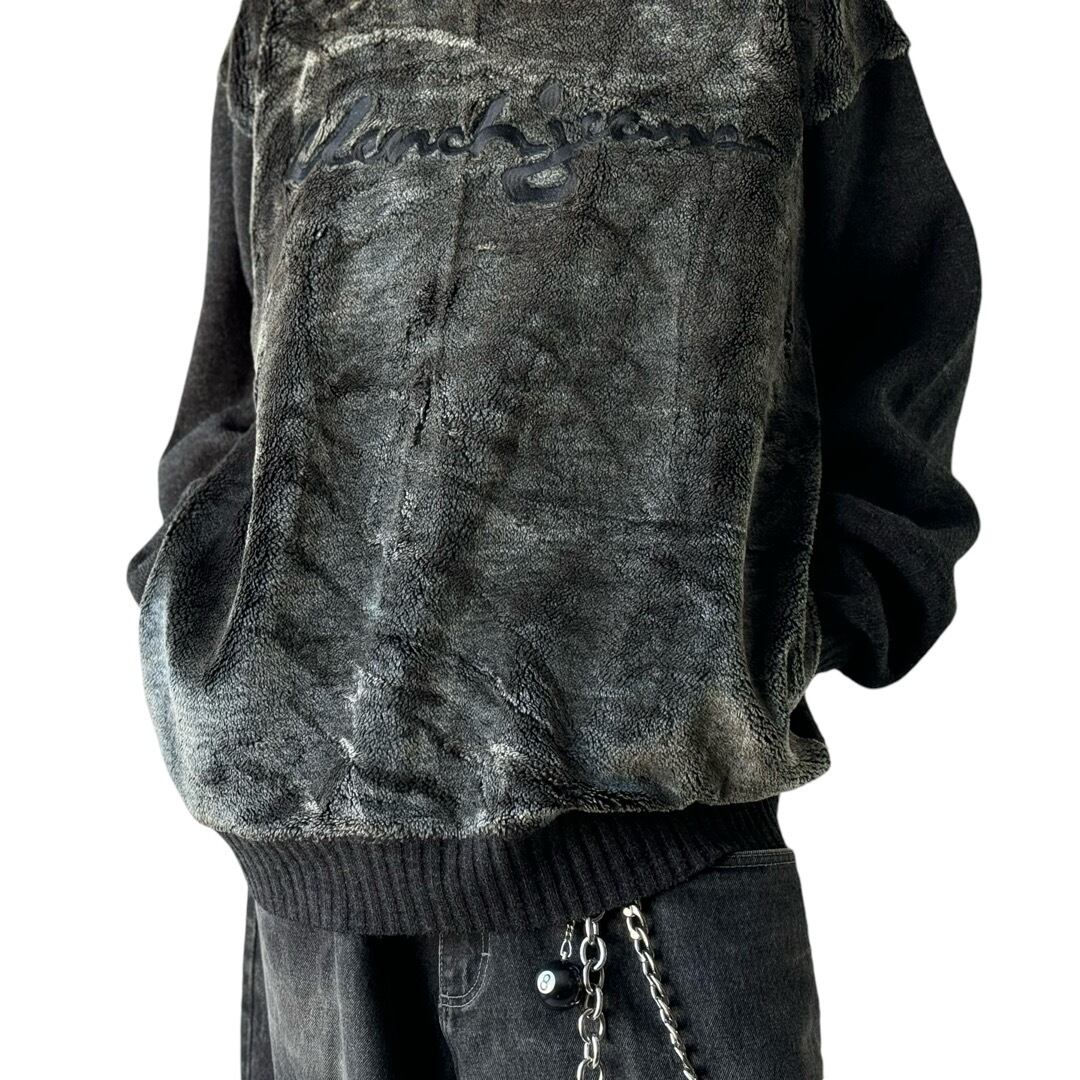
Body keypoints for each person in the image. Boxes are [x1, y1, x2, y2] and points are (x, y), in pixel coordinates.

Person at [126, 1, 980, 1076]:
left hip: (650, 871)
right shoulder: (295, 18)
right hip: (310, 894)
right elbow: (241, 373)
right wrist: (217, 620)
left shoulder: (783, 16)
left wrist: (799, 623)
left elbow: (907, 315)